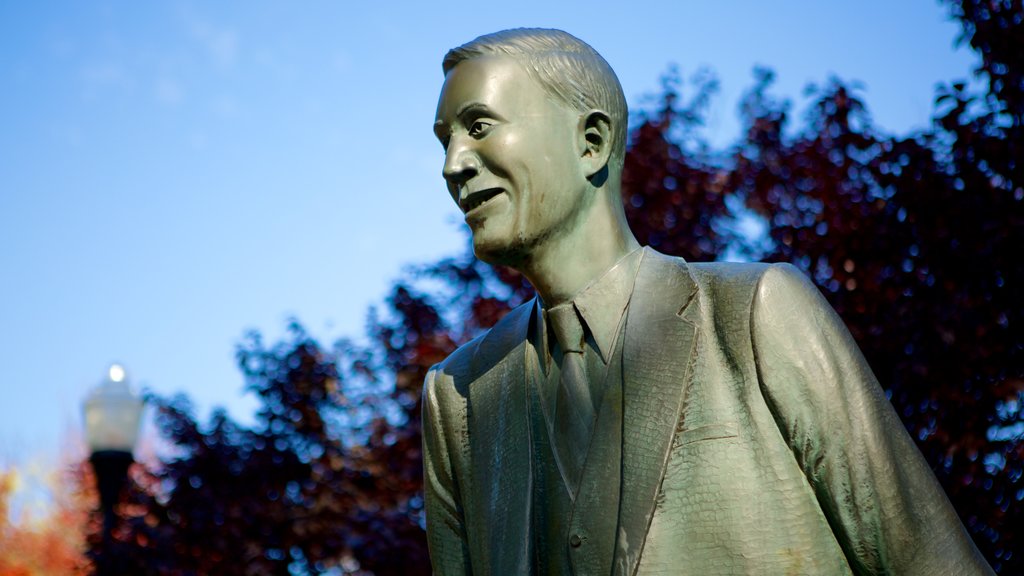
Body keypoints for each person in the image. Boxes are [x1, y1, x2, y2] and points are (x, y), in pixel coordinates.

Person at [422, 28, 994, 575]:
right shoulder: (459, 397)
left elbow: (930, 562)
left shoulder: (756, 314)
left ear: (590, 143)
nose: (454, 164)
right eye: (446, 139)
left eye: (478, 126)